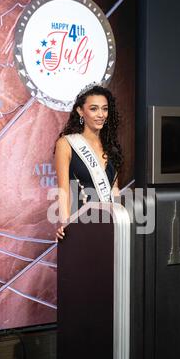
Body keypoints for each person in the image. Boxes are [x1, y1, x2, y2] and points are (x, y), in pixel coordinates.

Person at [54, 84, 123, 241]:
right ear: (80, 111)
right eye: (94, 109)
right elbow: (63, 190)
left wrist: (121, 221)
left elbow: (114, 188)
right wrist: (66, 224)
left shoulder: (111, 147)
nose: (101, 114)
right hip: (81, 225)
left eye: (104, 109)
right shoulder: (66, 144)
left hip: (110, 225)